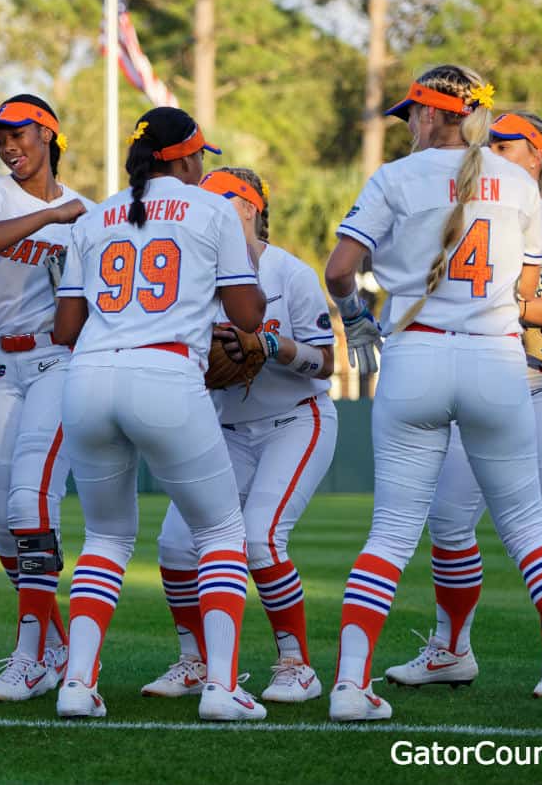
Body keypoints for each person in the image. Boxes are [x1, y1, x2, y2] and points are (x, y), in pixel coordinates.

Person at [323, 65, 542, 721]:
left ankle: (350, 686)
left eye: (411, 112)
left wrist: (356, 321)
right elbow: (527, 293)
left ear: (434, 115)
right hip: (496, 360)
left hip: (414, 355)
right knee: (532, 530)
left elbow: (339, 271)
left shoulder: (395, 177)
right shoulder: (519, 184)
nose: (407, 122)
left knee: (389, 534)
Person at [384, 112, 542, 699]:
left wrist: (505, 312)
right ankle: (450, 650)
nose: (494, 151)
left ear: (539, 156)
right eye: (491, 143)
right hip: (481, 384)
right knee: (449, 522)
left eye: (508, 145)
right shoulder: (467, 206)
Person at [51, 107, 267, 722]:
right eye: (201, 156)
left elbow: (66, 327)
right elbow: (248, 316)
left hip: (89, 375)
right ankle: (222, 688)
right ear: (185, 157)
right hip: (166, 372)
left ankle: (76, 685)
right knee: (221, 532)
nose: (203, 166)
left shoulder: (94, 217)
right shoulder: (212, 209)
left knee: (106, 538)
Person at [143, 168, 337, 705]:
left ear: (248, 208)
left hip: (296, 420)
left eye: (217, 201)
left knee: (260, 539)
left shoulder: (288, 272)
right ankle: (195, 660)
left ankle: (296, 664)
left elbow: (326, 363)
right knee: (177, 545)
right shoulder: (194, 275)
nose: (202, 210)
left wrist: (273, 348)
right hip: (224, 425)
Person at [0, 95, 92, 701]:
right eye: (1, 139)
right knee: (2, 530)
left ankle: (27, 656)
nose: (9, 147)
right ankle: (53, 647)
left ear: (49, 134)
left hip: (53, 360)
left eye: (18, 135)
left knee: (29, 503)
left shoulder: (90, 213)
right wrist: (50, 217)